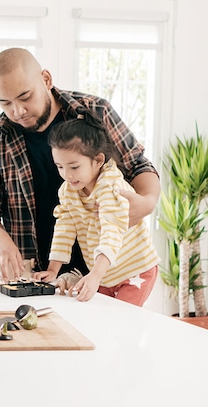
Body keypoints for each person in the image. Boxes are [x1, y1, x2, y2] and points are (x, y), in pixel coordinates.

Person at [0, 47, 160, 281]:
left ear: (46, 79)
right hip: (40, 275)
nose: (17, 111)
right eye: (5, 103)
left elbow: (140, 166)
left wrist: (147, 203)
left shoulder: (95, 112)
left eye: (25, 97)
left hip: (113, 273)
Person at [32, 117, 159, 305]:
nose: (67, 174)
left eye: (74, 167)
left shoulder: (111, 188)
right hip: (106, 273)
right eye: (60, 167)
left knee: (121, 322)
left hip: (135, 270)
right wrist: (53, 270)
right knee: (102, 322)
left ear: (98, 160)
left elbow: (112, 232)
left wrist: (95, 275)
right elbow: (64, 229)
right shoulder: (68, 190)